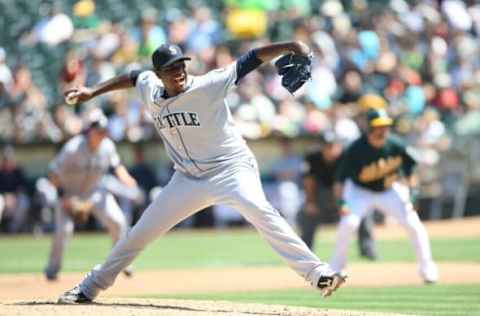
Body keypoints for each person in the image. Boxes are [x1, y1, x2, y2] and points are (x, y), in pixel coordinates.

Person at [58, 41, 346, 303]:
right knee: (140, 233)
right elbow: (134, 76)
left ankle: (318, 274)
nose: (178, 72)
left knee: (260, 210)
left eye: (181, 65)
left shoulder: (209, 84)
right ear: (159, 74)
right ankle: (90, 287)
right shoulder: (150, 87)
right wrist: (93, 92)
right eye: (171, 69)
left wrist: (291, 46)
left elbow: (250, 58)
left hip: (231, 168)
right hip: (186, 178)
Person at [329, 108, 438, 283]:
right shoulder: (355, 149)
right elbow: (339, 180)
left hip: (389, 190)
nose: (383, 131)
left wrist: (413, 191)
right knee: (348, 223)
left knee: (413, 224)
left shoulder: (395, 144)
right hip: (359, 191)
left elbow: (410, 169)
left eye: (386, 126)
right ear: (369, 129)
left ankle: (428, 269)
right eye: (379, 127)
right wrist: (342, 201)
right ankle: (336, 267)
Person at [44, 109, 138, 281]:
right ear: (89, 131)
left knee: (118, 222)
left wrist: (127, 179)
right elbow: (53, 173)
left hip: (94, 193)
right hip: (69, 194)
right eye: (98, 131)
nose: (101, 134)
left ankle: (122, 263)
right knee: (63, 231)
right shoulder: (73, 148)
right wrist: (63, 196)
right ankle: (52, 270)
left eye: (104, 131)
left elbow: (117, 166)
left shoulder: (107, 146)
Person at [297, 131, 378, 260]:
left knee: (364, 211)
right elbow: (308, 182)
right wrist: (310, 202)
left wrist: (345, 203)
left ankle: (368, 250)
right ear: (322, 147)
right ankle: (304, 254)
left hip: (346, 196)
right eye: (327, 146)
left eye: (334, 145)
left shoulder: (348, 157)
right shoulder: (313, 158)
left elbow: (355, 183)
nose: (331, 149)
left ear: (339, 145)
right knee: (306, 213)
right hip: (321, 198)